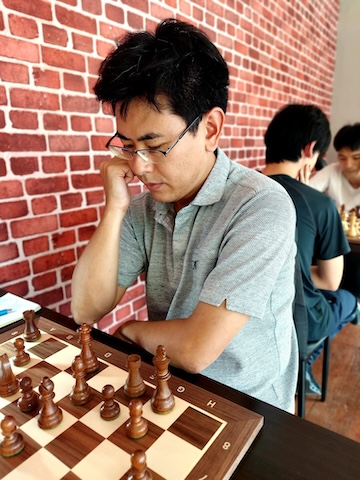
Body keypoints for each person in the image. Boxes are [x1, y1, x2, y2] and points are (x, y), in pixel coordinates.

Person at [71, 18, 299, 412]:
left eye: (154, 145)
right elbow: (86, 309)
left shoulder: (261, 205)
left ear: (210, 128)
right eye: (126, 146)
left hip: (251, 404)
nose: (139, 167)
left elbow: (197, 349)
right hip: (168, 383)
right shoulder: (145, 208)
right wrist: (115, 208)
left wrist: (129, 330)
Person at [262, 104, 358, 395]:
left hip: (245, 322)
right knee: (347, 298)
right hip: (295, 324)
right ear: (310, 149)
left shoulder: (235, 189)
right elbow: (330, 280)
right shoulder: (319, 205)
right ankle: (304, 363)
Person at [309, 123, 360, 210]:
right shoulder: (332, 170)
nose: (348, 165)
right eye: (342, 158)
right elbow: (306, 192)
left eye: (356, 158)